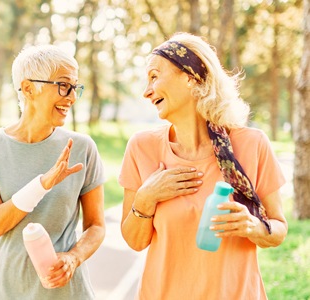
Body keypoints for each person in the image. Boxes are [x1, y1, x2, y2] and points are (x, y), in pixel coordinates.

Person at [119, 32, 288, 299]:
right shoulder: (143, 147)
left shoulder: (251, 144)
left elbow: (278, 228)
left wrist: (253, 226)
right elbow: (134, 241)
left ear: (191, 77)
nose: (147, 91)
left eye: (154, 76)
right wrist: (146, 198)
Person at [0, 44, 105, 299]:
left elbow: (96, 226)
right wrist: (42, 184)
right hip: (2, 290)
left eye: (75, 87)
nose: (72, 97)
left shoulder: (82, 147)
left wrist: (74, 258)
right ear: (29, 88)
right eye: (64, 85)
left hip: (66, 293)